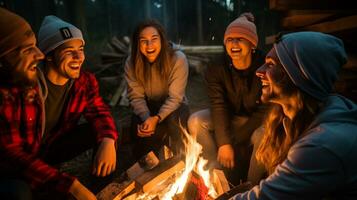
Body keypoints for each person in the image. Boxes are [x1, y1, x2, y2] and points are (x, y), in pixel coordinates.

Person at [229, 31, 357, 199]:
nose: (259, 71)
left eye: (270, 65)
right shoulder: (292, 118)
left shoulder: (322, 145)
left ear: (300, 76)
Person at [188, 12, 267, 185]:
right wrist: (224, 143)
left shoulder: (265, 66)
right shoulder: (217, 67)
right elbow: (218, 104)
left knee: (264, 134)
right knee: (195, 121)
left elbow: (265, 110)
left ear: (252, 44)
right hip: (229, 116)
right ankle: (214, 173)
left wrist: (236, 140)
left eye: (240, 38)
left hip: (257, 121)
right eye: (230, 39)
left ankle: (250, 187)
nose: (234, 43)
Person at [124, 19, 189, 159]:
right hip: (149, 105)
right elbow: (136, 97)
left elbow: (175, 97)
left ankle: (180, 160)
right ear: (137, 44)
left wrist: (157, 118)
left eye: (154, 39)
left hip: (175, 106)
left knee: (173, 121)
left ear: (162, 41)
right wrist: (147, 119)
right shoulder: (131, 62)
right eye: (143, 41)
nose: (149, 45)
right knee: (138, 124)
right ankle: (144, 166)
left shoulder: (178, 59)